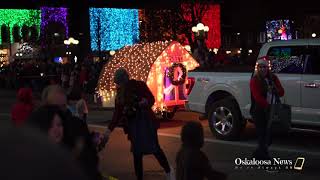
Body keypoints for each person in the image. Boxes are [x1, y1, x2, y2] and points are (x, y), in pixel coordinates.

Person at [105, 68, 174, 180]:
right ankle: (142, 177)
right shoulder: (120, 94)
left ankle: (169, 171)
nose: (119, 85)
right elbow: (117, 114)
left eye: (120, 82)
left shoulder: (139, 85)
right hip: (134, 126)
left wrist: (144, 102)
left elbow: (151, 99)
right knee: (138, 153)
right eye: (118, 83)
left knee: (154, 149)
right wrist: (108, 131)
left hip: (146, 123)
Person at [41, 85, 102, 180]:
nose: (60, 112)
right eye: (55, 107)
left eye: (63, 106)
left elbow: (91, 161)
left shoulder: (78, 125)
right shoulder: (37, 127)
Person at [250, 58, 284, 160]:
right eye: (260, 67)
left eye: (264, 67)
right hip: (259, 111)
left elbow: (282, 92)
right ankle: (264, 157)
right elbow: (257, 97)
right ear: (257, 68)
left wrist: (275, 90)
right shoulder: (254, 80)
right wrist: (267, 106)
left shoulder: (273, 78)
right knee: (262, 135)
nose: (262, 69)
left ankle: (257, 155)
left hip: (271, 110)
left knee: (269, 136)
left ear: (268, 68)